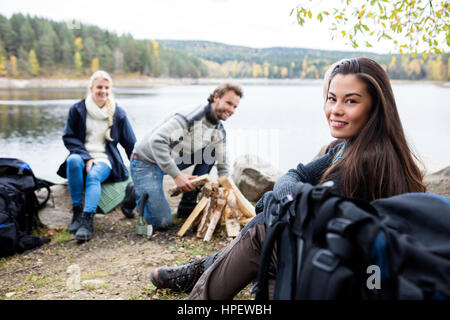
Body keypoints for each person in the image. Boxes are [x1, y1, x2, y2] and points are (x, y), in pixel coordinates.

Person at [149, 57, 426, 299]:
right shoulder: (345, 147)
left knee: (264, 229)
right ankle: (205, 269)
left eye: (351, 101)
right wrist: (286, 197)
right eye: (332, 98)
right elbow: (296, 174)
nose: (336, 110)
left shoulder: (368, 162)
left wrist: (279, 203)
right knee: (270, 220)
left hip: (356, 278)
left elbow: (310, 225)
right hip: (330, 261)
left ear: (375, 107)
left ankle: (200, 278)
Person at [130, 82, 243, 230]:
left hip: (169, 159)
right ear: (216, 97)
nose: (231, 110)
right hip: (145, 162)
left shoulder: (219, 130)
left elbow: (223, 165)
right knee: (162, 223)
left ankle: (187, 205)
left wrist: (229, 191)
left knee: (212, 150)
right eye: (229, 103)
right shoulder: (191, 116)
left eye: (235, 107)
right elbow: (156, 141)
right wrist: (177, 176)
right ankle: (133, 191)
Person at [56, 70, 136, 241]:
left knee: (93, 176)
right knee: (73, 161)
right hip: (82, 154)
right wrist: (86, 157)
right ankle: (76, 213)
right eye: (99, 87)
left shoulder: (117, 113)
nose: (103, 91)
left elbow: (130, 143)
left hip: (105, 160)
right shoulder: (77, 109)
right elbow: (68, 137)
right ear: (91, 88)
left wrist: (139, 164)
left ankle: (87, 220)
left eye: (107, 88)